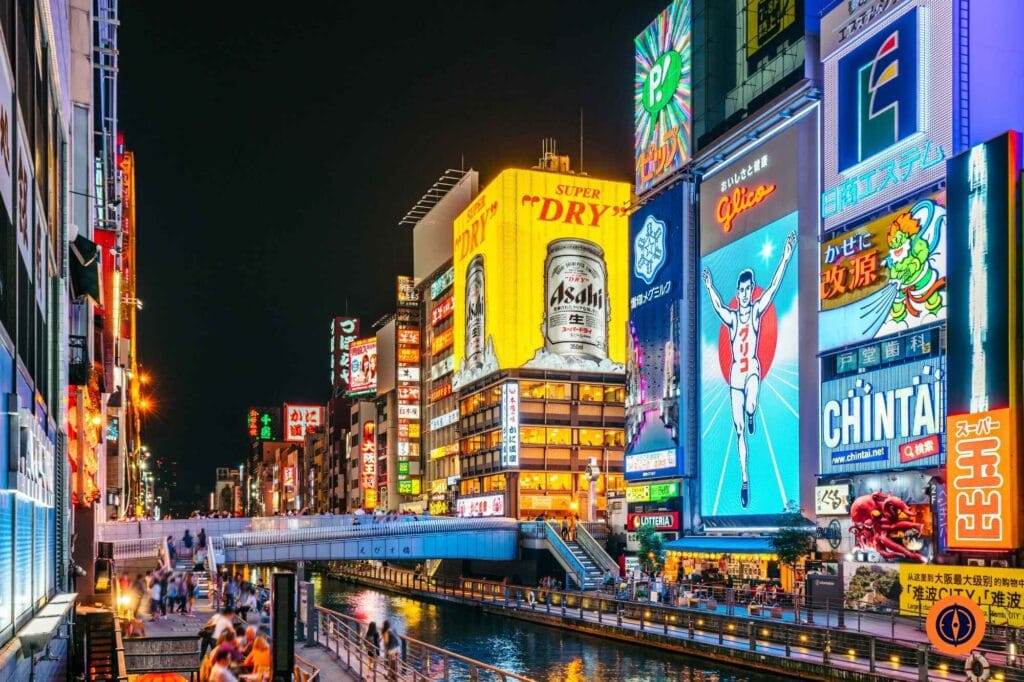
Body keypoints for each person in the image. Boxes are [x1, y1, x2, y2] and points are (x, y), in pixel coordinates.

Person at [701, 230, 796, 508]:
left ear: (751, 288)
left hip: (752, 370)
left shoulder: (755, 312)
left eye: (747, 289)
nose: (744, 294)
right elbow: (718, 306)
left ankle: (752, 412)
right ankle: (744, 480)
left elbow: (775, 288)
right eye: (740, 291)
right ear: (737, 292)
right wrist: (708, 286)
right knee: (739, 430)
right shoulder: (732, 317)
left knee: (751, 405)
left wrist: (786, 257)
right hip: (735, 377)